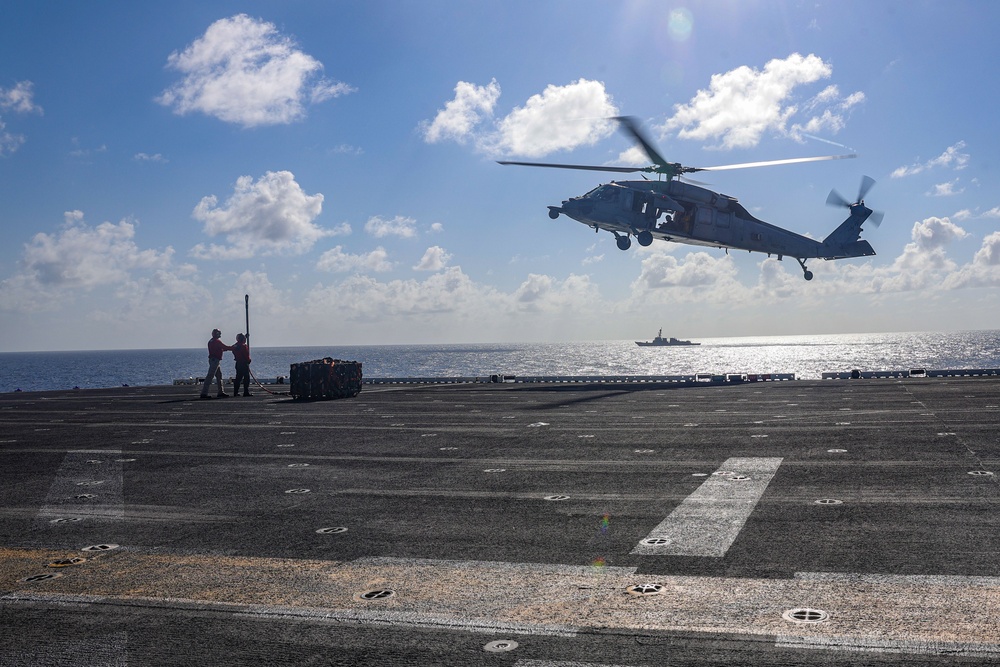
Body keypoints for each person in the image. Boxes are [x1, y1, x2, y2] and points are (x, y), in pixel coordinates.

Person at [200, 328, 232, 399]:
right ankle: (204, 393)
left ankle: (220, 392)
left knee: (219, 376)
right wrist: (234, 348)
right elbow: (224, 347)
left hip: (213, 360)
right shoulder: (217, 341)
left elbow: (220, 349)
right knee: (210, 376)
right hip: (215, 360)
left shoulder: (211, 341)